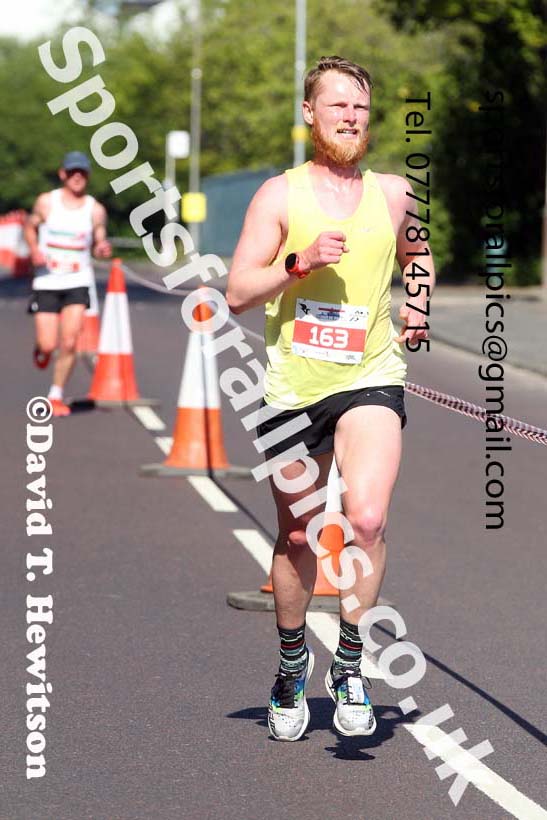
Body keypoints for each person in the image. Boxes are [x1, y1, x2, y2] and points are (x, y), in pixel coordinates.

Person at [227, 56, 435, 741]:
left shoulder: (397, 192)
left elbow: (419, 253)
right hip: (292, 388)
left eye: (360, 108)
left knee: (366, 519)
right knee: (296, 535)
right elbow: (236, 291)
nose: (350, 116)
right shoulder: (278, 196)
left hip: (369, 374)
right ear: (309, 114)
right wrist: (298, 263)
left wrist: (419, 306)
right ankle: (291, 665)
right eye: (337, 104)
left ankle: (349, 665)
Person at [24, 151, 111, 416]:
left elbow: (99, 241)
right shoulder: (47, 202)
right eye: (72, 172)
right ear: (63, 174)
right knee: (49, 343)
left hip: (78, 280)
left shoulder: (95, 209)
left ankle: (56, 394)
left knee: (70, 341)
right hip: (48, 280)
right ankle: (43, 349)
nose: (77, 177)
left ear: (87, 176)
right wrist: (33, 249)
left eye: (82, 173)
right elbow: (30, 226)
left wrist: (102, 248)